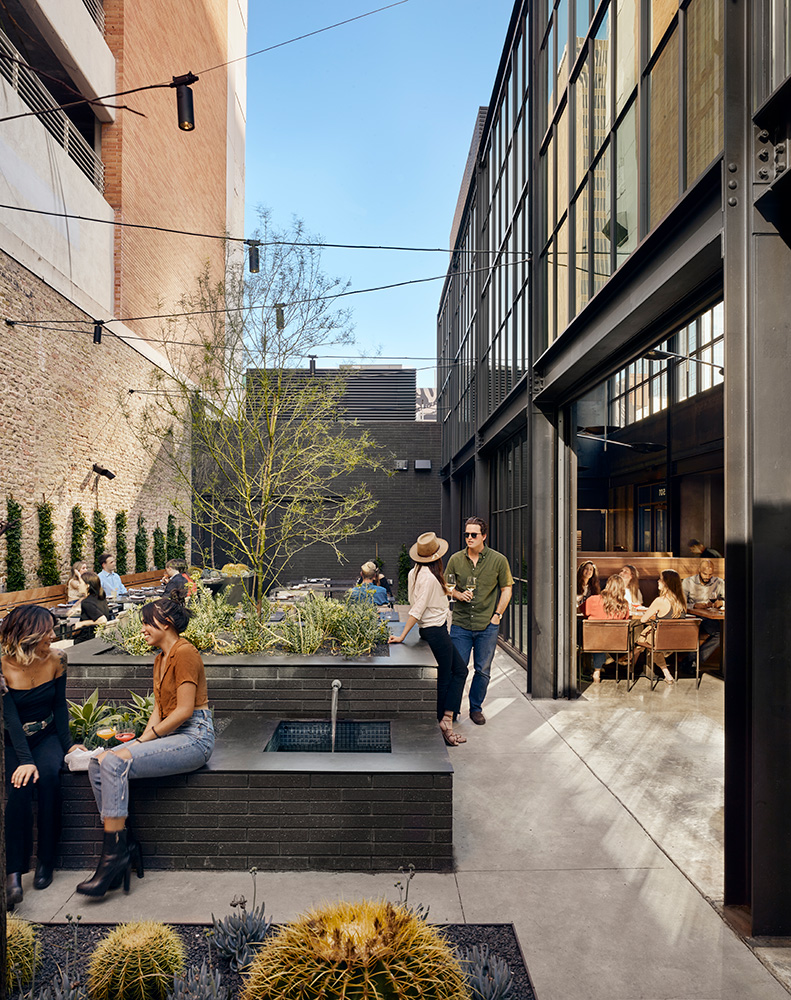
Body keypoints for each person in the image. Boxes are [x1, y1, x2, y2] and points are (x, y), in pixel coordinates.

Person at [76, 597, 214, 897]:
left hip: (195, 737)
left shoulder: (185, 652)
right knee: (99, 763)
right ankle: (122, 846)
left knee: (114, 762)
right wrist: (139, 740)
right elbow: (159, 710)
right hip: (173, 734)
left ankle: (113, 857)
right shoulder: (160, 658)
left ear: (166, 623)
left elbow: (184, 711)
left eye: (146, 622)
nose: (142, 629)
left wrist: (139, 744)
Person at [1, 606, 85, 910]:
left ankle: (46, 862)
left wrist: (69, 745)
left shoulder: (57, 659)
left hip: (47, 735)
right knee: (19, 791)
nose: (53, 635)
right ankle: (13, 875)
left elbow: (60, 707)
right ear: (28, 634)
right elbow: (10, 720)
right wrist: (24, 759)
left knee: (50, 777)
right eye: (48, 630)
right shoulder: (2, 668)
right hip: (15, 742)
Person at [389, 533, 468, 746]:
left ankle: (444, 720)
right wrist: (402, 635)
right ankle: (445, 722)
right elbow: (417, 607)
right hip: (435, 631)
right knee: (451, 675)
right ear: (437, 556)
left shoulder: (414, 572)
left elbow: (419, 600)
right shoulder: (429, 578)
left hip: (433, 629)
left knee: (455, 672)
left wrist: (449, 592)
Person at [446, 517, 514, 725]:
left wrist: (497, 616)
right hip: (461, 625)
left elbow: (507, 589)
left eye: (473, 535)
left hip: (487, 625)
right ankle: (453, 709)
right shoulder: (456, 559)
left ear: (484, 536)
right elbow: (447, 585)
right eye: (466, 534)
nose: (469, 538)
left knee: (482, 670)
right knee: (457, 668)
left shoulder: (498, 560)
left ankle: (476, 708)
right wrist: (457, 595)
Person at [635, 569, 686, 685]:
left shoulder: (660, 601)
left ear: (666, 583)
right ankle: (632, 655)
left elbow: (643, 619)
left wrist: (654, 615)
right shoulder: (682, 601)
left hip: (661, 640)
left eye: (660, 580)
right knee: (649, 644)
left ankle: (666, 673)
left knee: (643, 640)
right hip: (678, 640)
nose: (658, 581)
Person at [584, 575, 630, 683]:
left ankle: (596, 670)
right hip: (616, 643)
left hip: (593, 642)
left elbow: (582, 611)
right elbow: (626, 619)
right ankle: (615, 659)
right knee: (604, 637)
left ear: (607, 585)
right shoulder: (624, 604)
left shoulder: (593, 600)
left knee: (598, 635)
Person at [682, 559, 724, 663]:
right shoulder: (688, 582)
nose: (707, 577)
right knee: (693, 632)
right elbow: (681, 604)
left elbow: (730, 600)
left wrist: (722, 603)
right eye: (705, 574)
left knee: (720, 634)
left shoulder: (718, 582)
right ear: (699, 570)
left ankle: (693, 661)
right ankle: (691, 663)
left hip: (708, 618)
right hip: (691, 617)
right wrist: (694, 605)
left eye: (710, 574)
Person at [72, 571, 112, 637]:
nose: (78, 585)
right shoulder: (101, 597)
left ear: (87, 585)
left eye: (80, 583)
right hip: (102, 637)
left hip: (88, 641)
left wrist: (83, 623)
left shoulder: (87, 602)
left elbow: (103, 620)